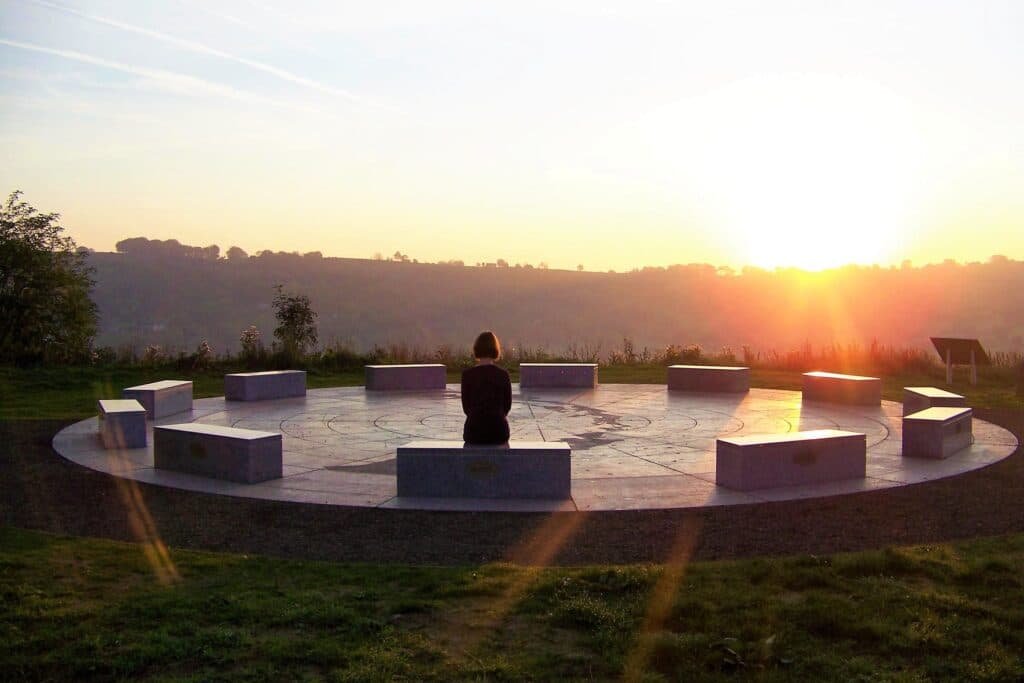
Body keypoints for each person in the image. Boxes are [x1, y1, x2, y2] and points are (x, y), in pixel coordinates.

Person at [461, 330, 512, 444]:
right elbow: (507, 406)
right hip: (498, 432)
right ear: (495, 349)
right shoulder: (503, 375)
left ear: (476, 349)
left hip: (473, 432)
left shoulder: (467, 375)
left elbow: (466, 407)